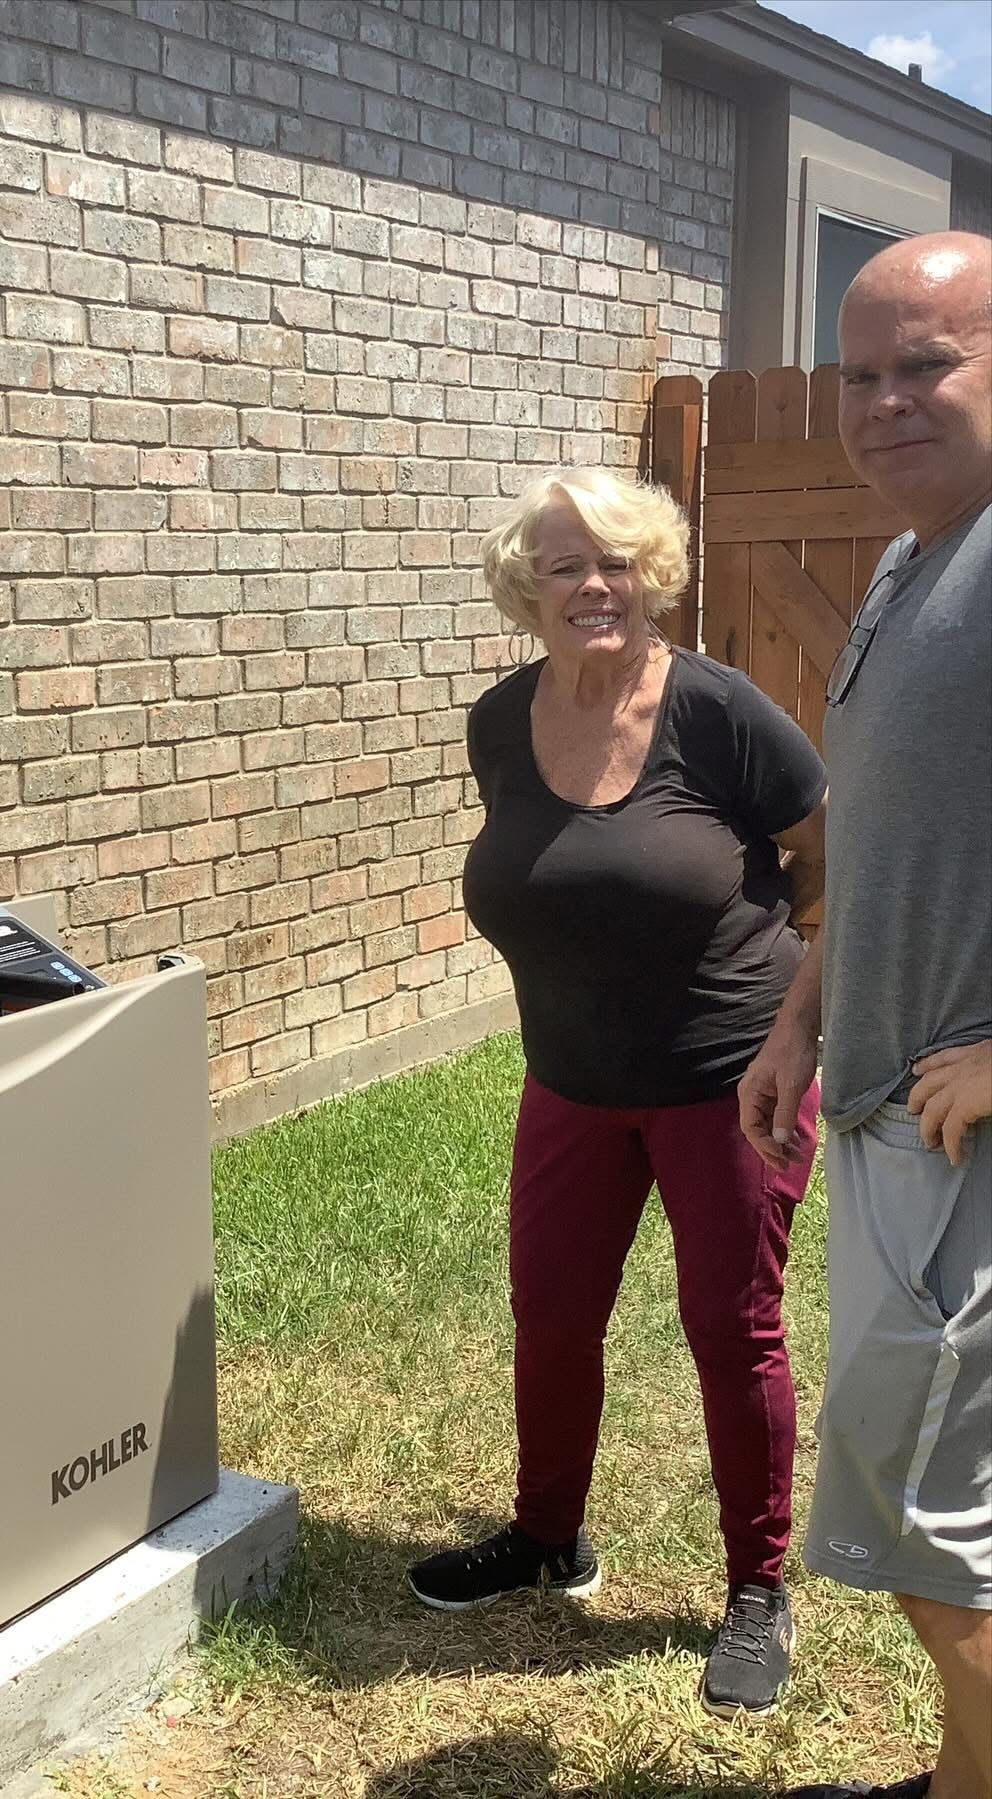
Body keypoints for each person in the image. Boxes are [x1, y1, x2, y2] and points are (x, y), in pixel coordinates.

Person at [408, 466, 828, 1719]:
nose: (592, 584)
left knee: (730, 1326)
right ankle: (547, 1535)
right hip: (570, 1078)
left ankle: (758, 1589)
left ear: (653, 572)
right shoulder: (501, 719)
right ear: (524, 587)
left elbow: (828, 850)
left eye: (615, 562)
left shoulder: (719, 711)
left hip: (728, 1077)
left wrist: (793, 1025)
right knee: (549, 1309)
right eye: (563, 564)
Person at [740, 232, 991, 1799]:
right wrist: (798, 1019)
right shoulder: (910, 562)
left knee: (925, 1530)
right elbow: (883, 840)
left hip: (963, 1150)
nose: (887, 401)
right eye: (862, 373)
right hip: (885, 1113)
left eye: (930, 363)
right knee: (947, 1517)